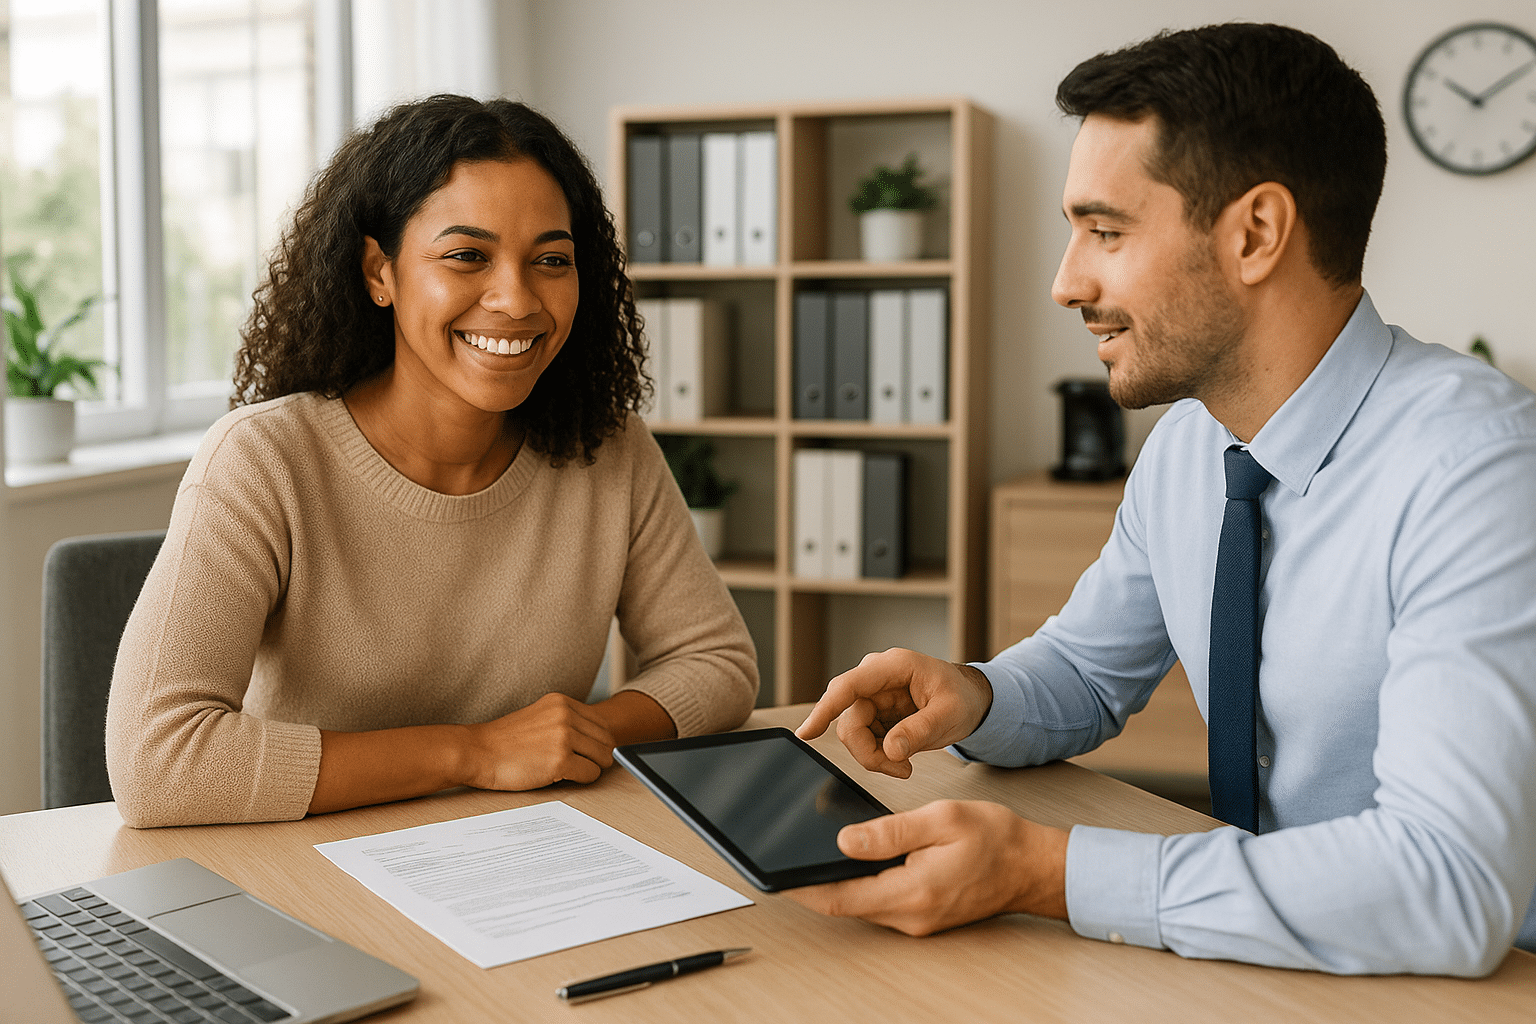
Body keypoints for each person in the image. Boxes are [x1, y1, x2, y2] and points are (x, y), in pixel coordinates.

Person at [793, 23, 1536, 977]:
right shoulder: (1192, 443)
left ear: (1256, 234)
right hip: (1269, 964)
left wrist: (1046, 873)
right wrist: (975, 695)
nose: (1067, 283)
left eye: (1105, 231)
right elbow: (1090, 673)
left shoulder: (1480, 469)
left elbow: (1450, 882)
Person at [106, 95, 757, 828]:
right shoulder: (263, 461)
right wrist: (473, 754)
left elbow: (718, 664)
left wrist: (579, 737)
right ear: (379, 272)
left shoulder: (606, 449)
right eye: (467, 256)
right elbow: (155, 762)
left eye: (550, 260)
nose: (516, 299)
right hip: (303, 872)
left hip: (530, 856)